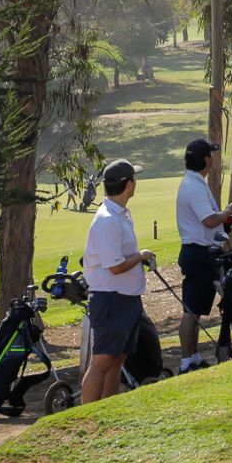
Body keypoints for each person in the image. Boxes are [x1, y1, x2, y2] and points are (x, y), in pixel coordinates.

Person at [81, 159, 154, 404]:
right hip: (111, 299)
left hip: (125, 299)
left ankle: (108, 410)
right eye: (134, 179)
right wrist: (141, 255)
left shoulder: (119, 214)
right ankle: (86, 419)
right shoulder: (107, 220)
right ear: (129, 184)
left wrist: (137, 257)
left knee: (117, 359)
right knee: (102, 361)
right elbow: (115, 267)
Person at [175, 139, 232, 372]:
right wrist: (227, 212)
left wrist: (225, 222)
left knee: (196, 310)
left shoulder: (196, 183)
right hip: (198, 254)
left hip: (201, 251)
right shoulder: (193, 186)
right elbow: (209, 220)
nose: (213, 158)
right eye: (211, 154)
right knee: (191, 311)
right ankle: (185, 362)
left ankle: (194, 357)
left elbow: (212, 223)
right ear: (205, 159)